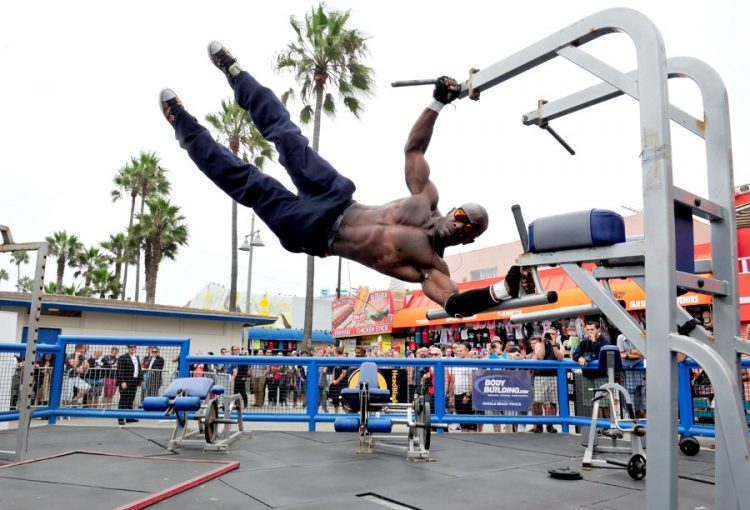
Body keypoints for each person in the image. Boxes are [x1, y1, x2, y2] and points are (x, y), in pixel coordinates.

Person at [160, 42, 534, 319]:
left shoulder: (431, 266)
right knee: (288, 139)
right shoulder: (424, 197)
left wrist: (503, 289)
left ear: (469, 239)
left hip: (315, 233)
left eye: (471, 229)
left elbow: (454, 304)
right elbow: (414, 149)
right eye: (464, 215)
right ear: (454, 210)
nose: (462, 225)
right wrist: (437, 102)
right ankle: (237, 75)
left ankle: (184, 126)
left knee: (251, 184)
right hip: (337, 197)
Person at [116, 345, 143, 425]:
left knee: (131, 399)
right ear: (128, 349)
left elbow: (139, 370)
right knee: (123, 400)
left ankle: (129, 417)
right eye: (131, 348)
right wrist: (122, 382)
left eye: (134, 347)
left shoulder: (137, 357)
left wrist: (141, 379)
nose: (133, 349)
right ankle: (120, 418)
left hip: (134, 381)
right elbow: (120, 370)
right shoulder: (123, 357)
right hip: (126, 382)